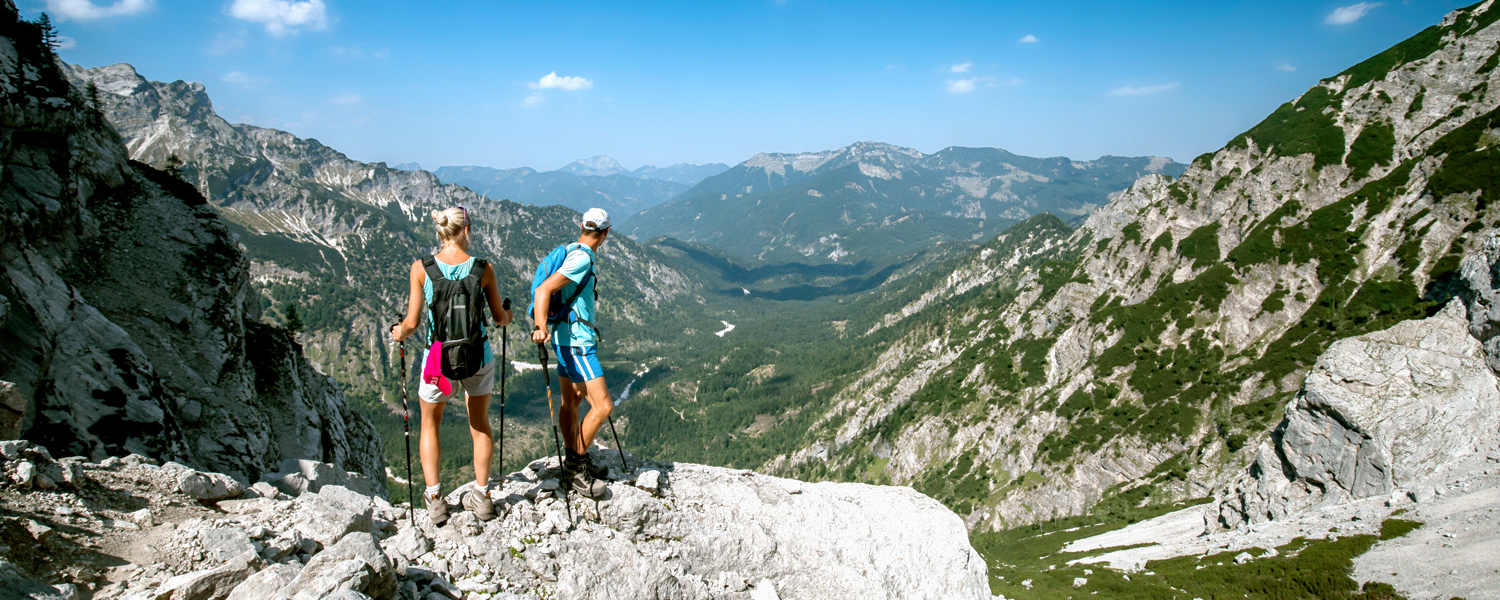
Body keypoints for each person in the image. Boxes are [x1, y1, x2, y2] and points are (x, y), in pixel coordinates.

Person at [391, 206, 513, 526]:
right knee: (480, 425)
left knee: (430, 425)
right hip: (478, 357)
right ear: (467, 230)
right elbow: (499, 317)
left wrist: (398, 332)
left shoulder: (422, 269)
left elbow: (412, 323)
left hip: (437, 360)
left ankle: (435, 499)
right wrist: (509, 316)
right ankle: (483, 496)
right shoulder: (484, 268)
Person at [531, 208, 613, 498]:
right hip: (578, 342)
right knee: (603, 406)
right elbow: (544, 290)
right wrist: (540, 325)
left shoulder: (569, 250)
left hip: (565, 339)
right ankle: (576, 469)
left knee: (572, 400)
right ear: (605, 233)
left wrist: (546, 328)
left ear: (581, 226)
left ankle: (572, 456)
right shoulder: (581, 258)